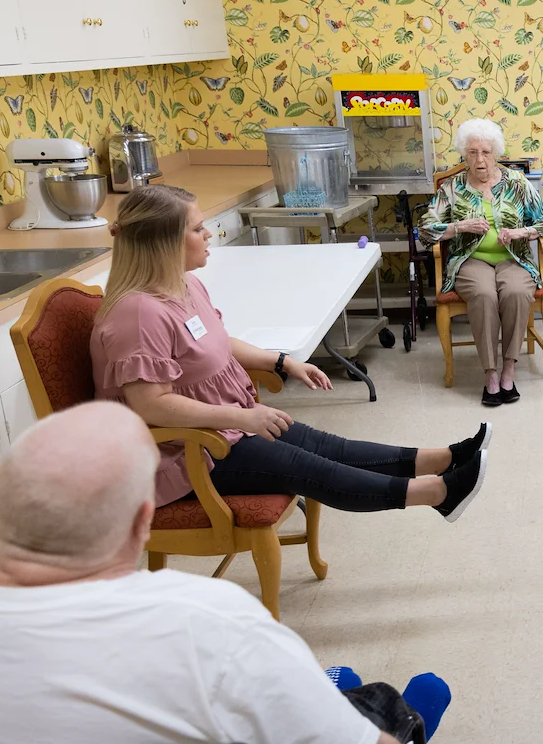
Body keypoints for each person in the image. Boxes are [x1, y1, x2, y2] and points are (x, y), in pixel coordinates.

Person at [0, 403, 470, 744]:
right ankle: (394, 716)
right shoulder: (208, 624)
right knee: (373, 729)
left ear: (0, 487)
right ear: (143, 521)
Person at [93, 184, 489, 521]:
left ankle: (442, 459)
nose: (209, 234)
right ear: (164, 242)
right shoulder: (139, 313)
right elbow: (151, 406)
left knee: (326, 446)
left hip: (221, 429)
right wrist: (244, 417)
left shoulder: (183, 285)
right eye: (197, 229)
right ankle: (438, 493)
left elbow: (215, 341)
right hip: (185, 455)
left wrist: (282, 361)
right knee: (310, 467)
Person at [421, 118, 543, 406]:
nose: (480, 160)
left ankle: (509, 367)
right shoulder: (453, 187)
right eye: (472, 153)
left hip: (514, 257)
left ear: (496, 153)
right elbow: (424, 230)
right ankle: (490, 373)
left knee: (517, 292)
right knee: (484, 295)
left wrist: (523, 231)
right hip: (470, 260)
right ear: (464, 155)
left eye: (485, 152)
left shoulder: (517, 183)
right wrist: (460, 227)